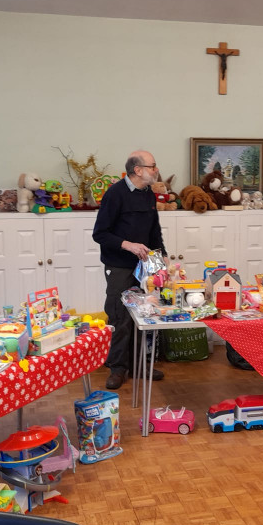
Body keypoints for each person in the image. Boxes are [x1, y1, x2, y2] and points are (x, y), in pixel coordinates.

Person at [92, 150, 166, 391]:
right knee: (120, 315)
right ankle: (117, 367)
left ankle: (138, 365)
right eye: (152, 166)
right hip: (119, 266)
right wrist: (129, 245)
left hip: (143, 267)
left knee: (143, 314)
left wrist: (162, 258)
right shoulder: (115, 194)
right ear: (138, 170)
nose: (156, 170)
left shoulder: (148, 195)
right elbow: (100, 234)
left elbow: (154, 230)